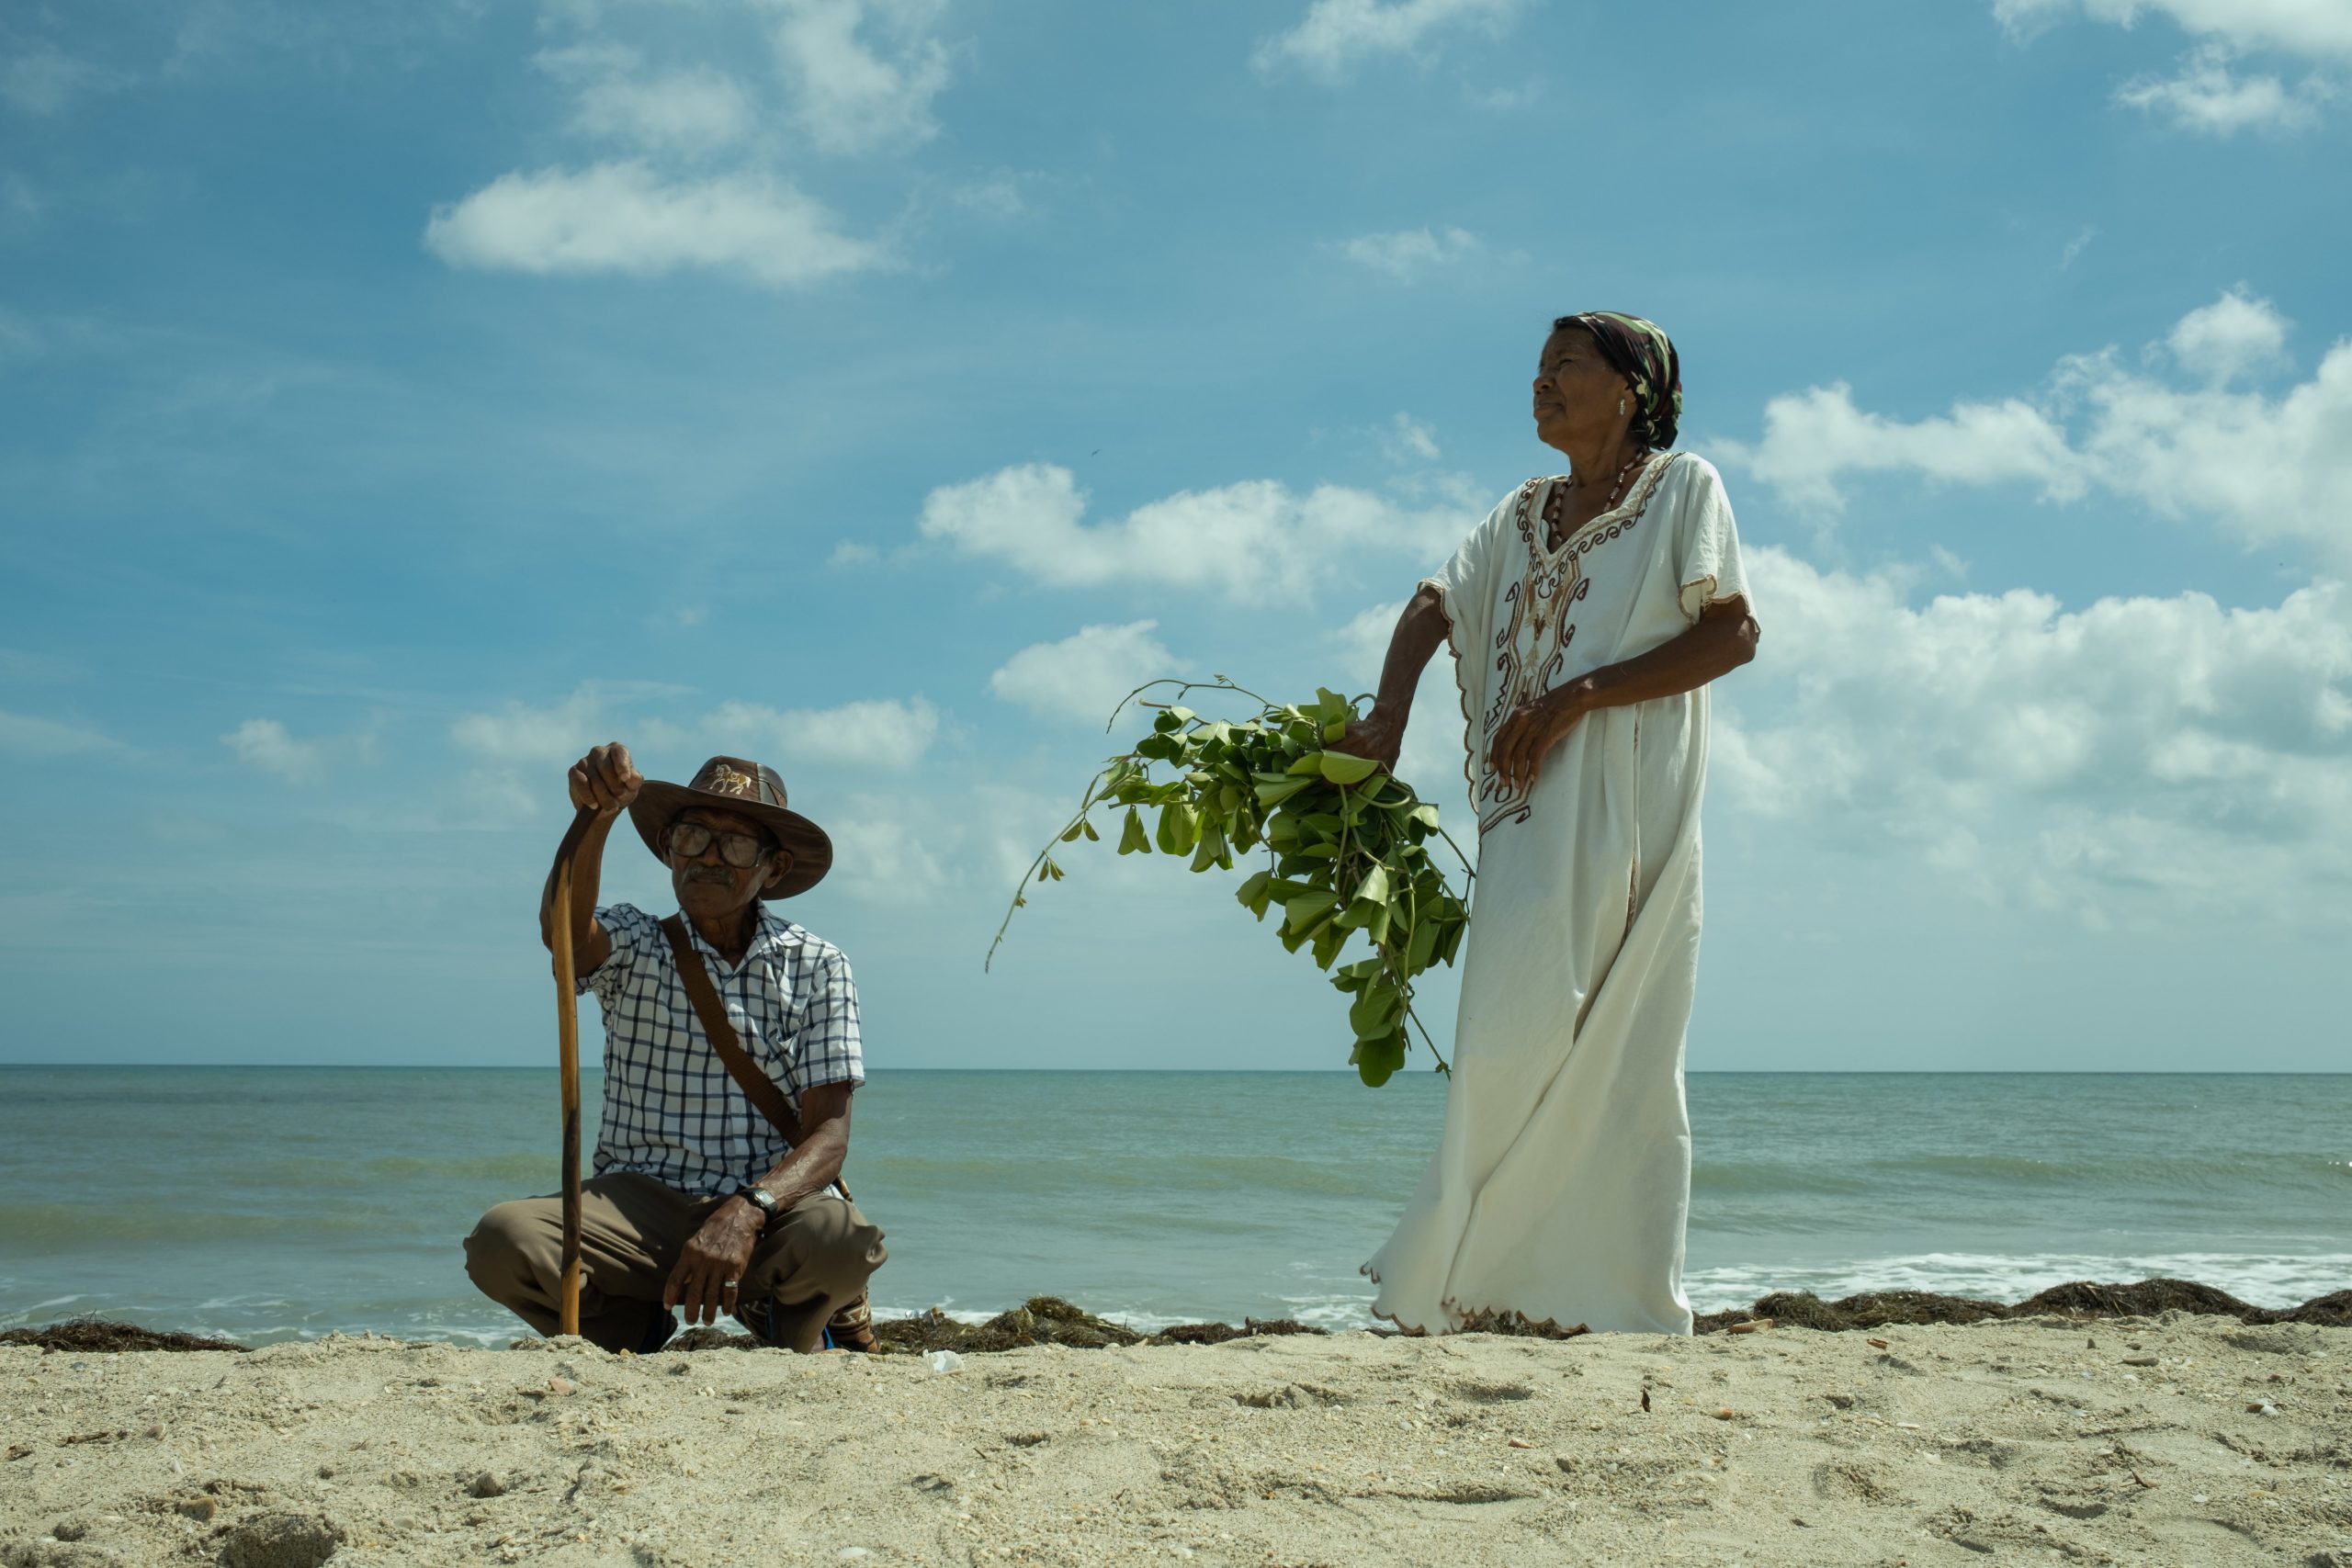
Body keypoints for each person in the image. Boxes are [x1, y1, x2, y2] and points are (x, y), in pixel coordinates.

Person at [1343, 311, 1759, 1336]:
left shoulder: (1681, 490)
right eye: (1537, 368)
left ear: (1630, 389)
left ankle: (1594, 1296)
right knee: (1502, 1036)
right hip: (1527, 813)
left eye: (1565, 366)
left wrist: (1575, 696)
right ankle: (1474, 1282)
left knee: (1620, 1045)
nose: (1541, 383)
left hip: (1626, 808)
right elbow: (1436, 601)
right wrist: (1386, 714)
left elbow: (1731, 633)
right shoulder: (1521, 511)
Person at [464, 745, 887, 1353]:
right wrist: (597, 815)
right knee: (502, 1240)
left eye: (735, 845)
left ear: (775, 866)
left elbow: (829, 1136)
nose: (708, 859)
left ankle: (784, 1325)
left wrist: (748, 1209)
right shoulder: (639, 941)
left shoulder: (818, 964)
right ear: (667, 848)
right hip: (636, 1206)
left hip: (763, 1210)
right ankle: (624, 1325)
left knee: (843, 1239)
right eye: (693, 837)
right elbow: (565, 931)